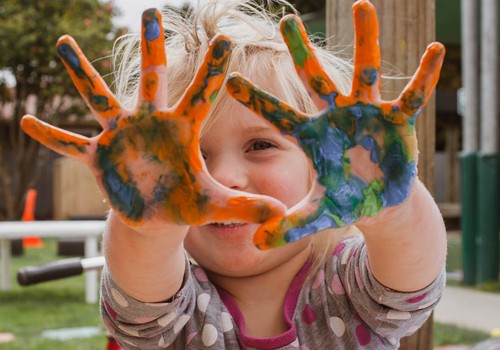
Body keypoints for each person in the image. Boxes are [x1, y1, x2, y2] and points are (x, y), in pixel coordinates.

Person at [21, 0, 447, 348]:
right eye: (190, 159)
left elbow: (411, 280)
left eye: (260, 145)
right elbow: (141, 286)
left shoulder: (349, 284)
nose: (224, 176)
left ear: (323, 163)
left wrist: (393, 209)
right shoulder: (173, 303)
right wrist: (148, 230)